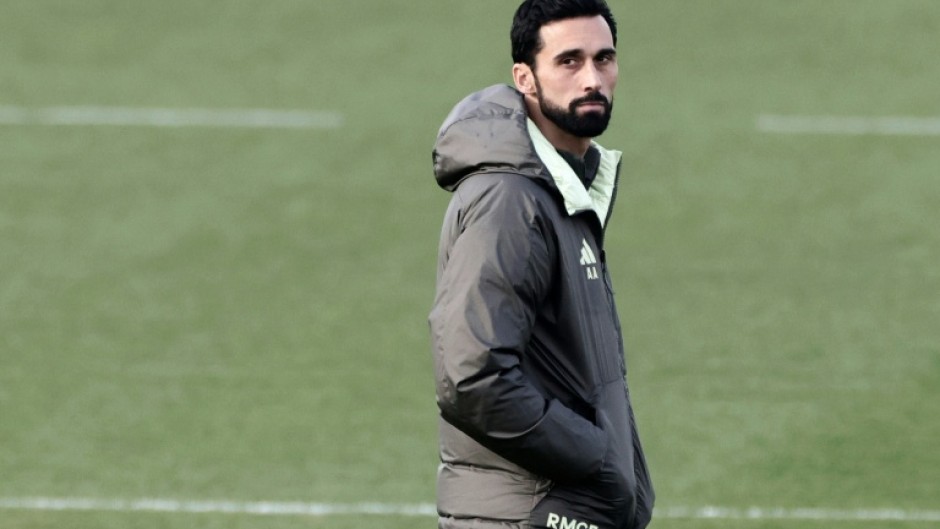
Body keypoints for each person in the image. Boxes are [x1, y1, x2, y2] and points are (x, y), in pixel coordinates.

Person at [429, 0, 654, 528]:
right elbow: (472, 376)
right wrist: (594, 455)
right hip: (528, 512)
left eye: (604, 59)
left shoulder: (563, 190)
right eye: (569, 62)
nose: (592, 78)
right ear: (525, 78)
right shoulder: (510, 201)